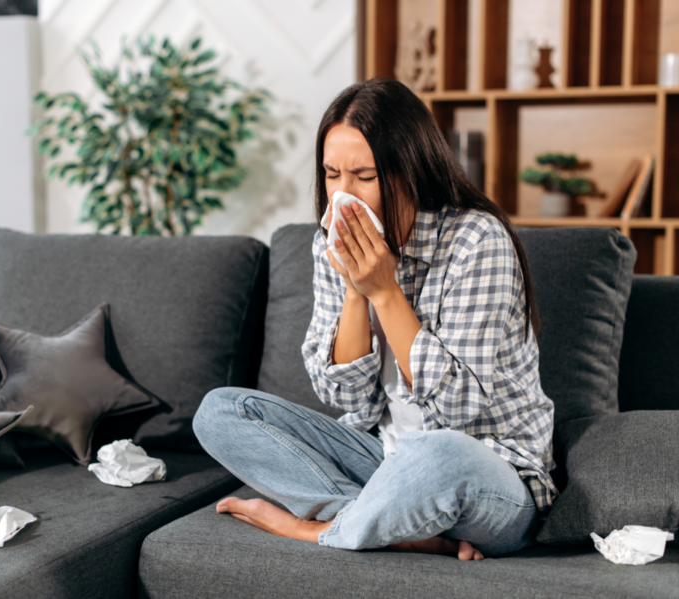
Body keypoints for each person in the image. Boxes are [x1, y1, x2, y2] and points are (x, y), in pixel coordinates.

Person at [192, 77, 557, 560]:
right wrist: (354, 288)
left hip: (488, 474)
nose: (345, 196)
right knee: (219, 412)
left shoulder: (477, 241)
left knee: (435, 452)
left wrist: (384, 291)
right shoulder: (328, 244)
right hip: (383, 460)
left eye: (364, 177)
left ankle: (316, 530)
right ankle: (398, 528)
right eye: (331, 174)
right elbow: (344, 396)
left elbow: (457, 410)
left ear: (411, 171)